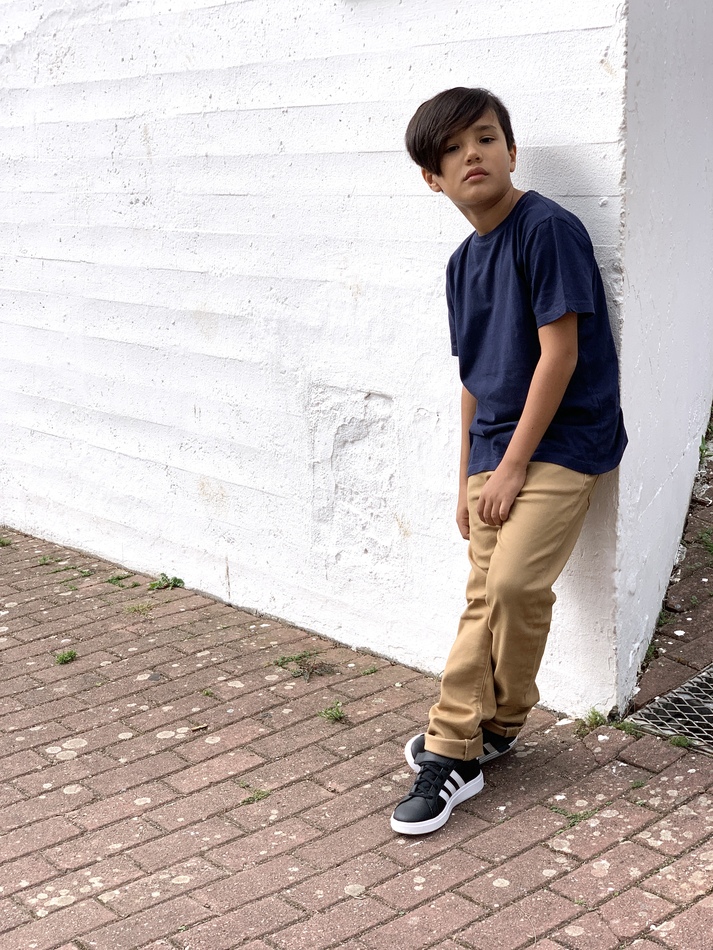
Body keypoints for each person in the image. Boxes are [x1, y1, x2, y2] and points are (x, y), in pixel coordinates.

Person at [391, 87, 627, 835]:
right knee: (486, 595)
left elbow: (560, 355)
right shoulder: (461, 263)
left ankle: (447, 747)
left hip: (563, 440)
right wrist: (466, 479)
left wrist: (516, 464)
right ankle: (492, 725)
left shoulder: (546, 229)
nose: (472, 155)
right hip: (494, 449)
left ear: (511, 151)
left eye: (486, 138)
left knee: (513, 584)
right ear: (433, 179)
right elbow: (472, 380)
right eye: (452, 149)